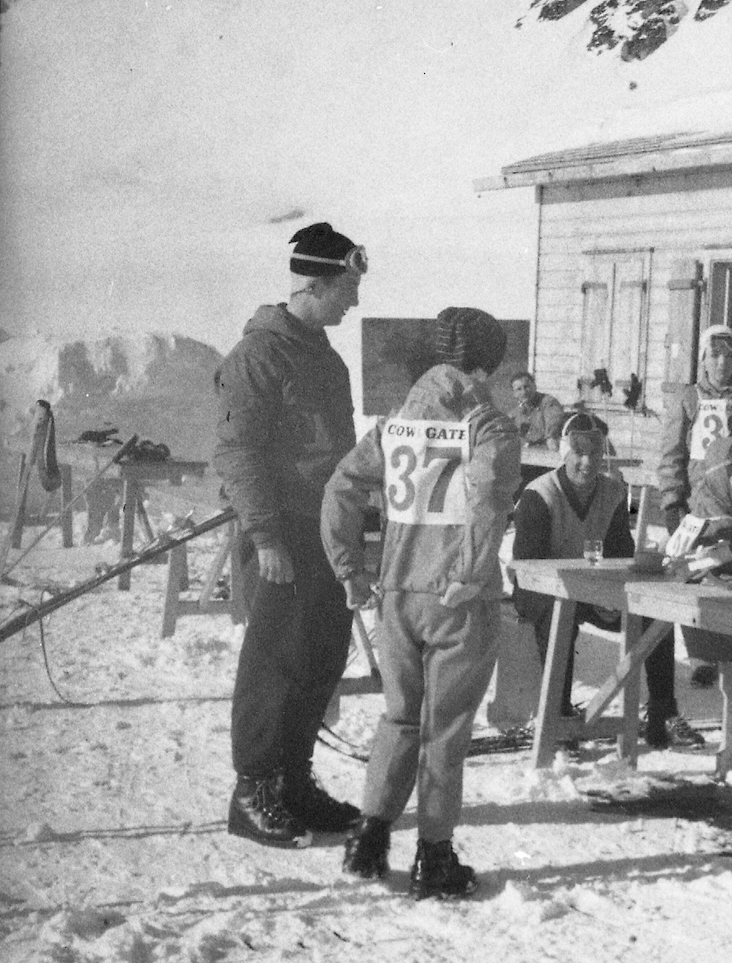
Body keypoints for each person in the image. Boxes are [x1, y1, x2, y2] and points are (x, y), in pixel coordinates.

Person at [323, 307, 521, 898]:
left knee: (399, 717)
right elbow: (486, 499)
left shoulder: (393, 425)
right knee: (446, 730)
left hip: (397, 596)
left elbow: (341, 489)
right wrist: (472, 571)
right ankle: (434, 856)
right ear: (485, 365)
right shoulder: (490, 427)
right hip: (457, 599)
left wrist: (349, 569)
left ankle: (369, 837)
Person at [214, 222, 366, 848]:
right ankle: (253, 793)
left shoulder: (323, 355)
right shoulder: (256, 357)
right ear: (313, 284)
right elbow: (239, 452)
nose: (353, 301)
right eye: (346, 289)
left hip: (325, 531)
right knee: (273, 663)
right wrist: (266, 537)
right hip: (281, 533)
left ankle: (293, 783)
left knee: (320, 657)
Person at [512, 412, 703, 749]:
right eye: (579, 454)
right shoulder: (538, 495)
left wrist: (631, 578)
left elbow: (620, 554)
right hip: (538, 589)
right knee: (560, 616)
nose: (588, 463)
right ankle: (559, 716)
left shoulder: (613, 493)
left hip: (591, 587)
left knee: (657, 615)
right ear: (564, 454)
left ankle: (663, 712)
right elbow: (528, 569)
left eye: (595, 455)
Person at [657, 324, 732, 534]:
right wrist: (672, 503)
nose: (722, 363)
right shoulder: (688, 398)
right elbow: (672, 455)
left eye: (730, 356)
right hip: (697, 502)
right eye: (715, 355)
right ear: (703, 358)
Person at [511, 371, 565, 450]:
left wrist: (550, 437)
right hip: (530, 450)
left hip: (547, 447)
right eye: (519, 389)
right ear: (514, 394)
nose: (524, 392)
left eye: (526, 387)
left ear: (534, 386)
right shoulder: (517, 411)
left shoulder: (548, 402)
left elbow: (553, 423)